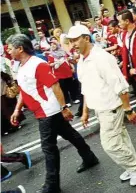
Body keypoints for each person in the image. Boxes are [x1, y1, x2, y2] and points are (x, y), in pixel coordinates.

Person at [7, 34, 99, 193]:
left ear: (20, 49)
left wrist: (64, 108)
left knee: (48, 147)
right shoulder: (20, 67)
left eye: (10, 48)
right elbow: (23, 90)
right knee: (70, 134)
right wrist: (17, 109)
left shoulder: (38, 64)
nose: (8, 51)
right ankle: (89, 158)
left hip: (48, 111)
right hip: (42, 111)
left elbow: (55, 86)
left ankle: (52, 185)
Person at [66, 25, 136, 187]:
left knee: (111, 145)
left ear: (86, 38)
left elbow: (120, 86)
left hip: (111, 108)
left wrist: (128, 110)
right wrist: (85, 111)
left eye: (75, 40)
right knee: (121, 139)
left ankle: (135, 166)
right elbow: (86, 87)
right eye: (70, 41)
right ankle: (133, 165)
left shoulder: (101, 58)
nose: (72, 44)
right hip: (100, 109)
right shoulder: (82, 60)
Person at [47, 41, 80, 107]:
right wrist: (55, 63)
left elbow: (69, 60)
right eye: (51, 45)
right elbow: (49, 64)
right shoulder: (50, 55)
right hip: (59, 74)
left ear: (57, 45)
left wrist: (72, 67)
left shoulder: (63, 52)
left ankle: (74, 98)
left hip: (67, 72)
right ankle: (67, 101)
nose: (53, 45)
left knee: (71, 86)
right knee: (63, 88)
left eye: (54, 44)